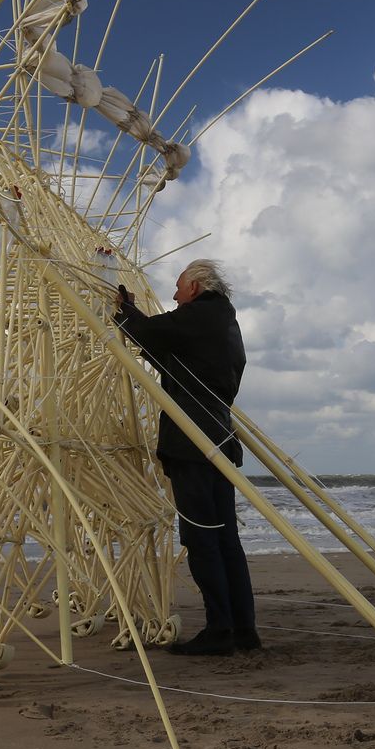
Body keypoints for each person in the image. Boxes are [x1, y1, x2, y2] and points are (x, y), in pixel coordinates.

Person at [114, 258, 258, 656]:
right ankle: (243, 629)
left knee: (201, 538)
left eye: (178, 289)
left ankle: (220, 630)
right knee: (226, 538)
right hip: (220, 440)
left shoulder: (200, 315)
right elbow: (171, 357)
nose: (174, 297)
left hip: (194, 443)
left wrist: (123, 307)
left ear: (194, 286)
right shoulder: (223, 322)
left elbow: (147, 331)